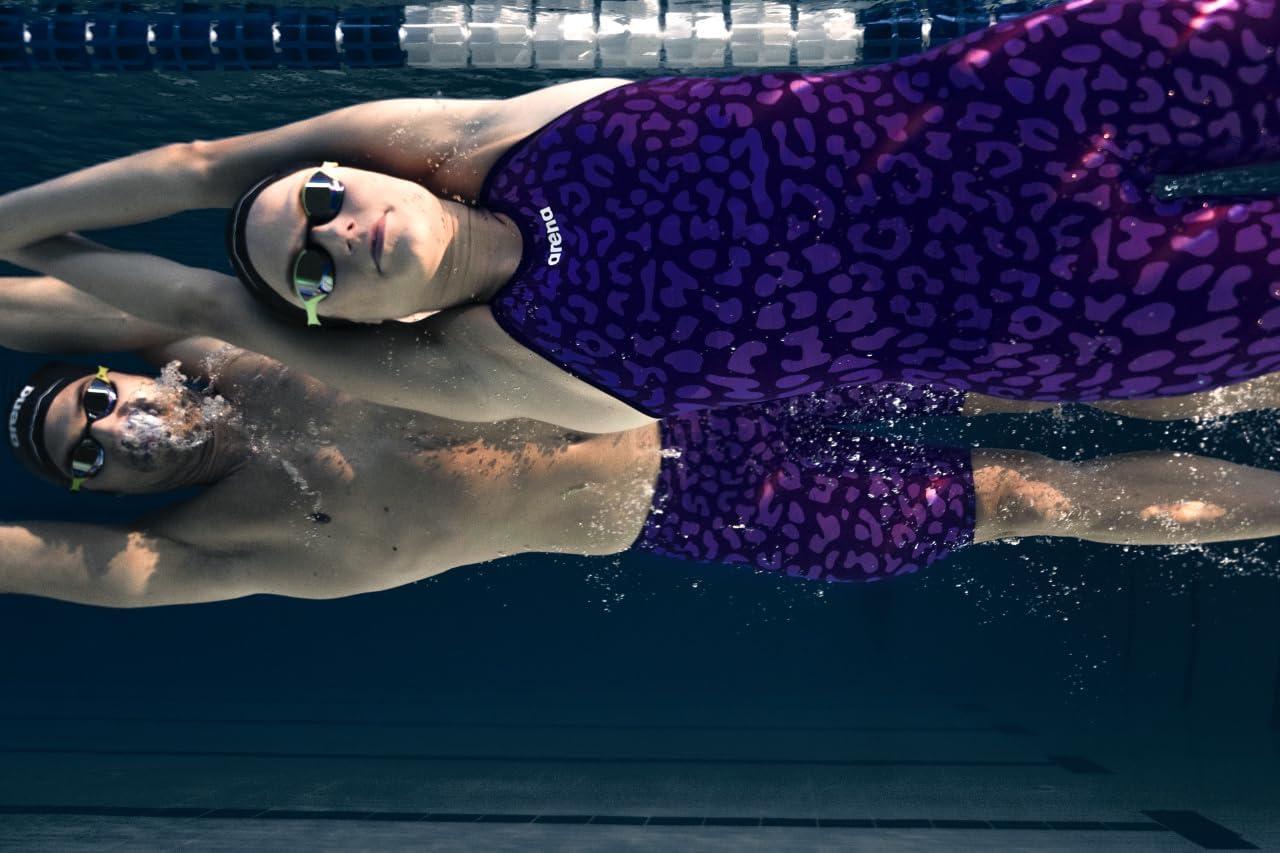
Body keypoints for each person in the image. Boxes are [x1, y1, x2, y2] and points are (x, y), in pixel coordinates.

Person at [4, 0, 1280, 433]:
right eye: (311, 271)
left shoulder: (485, 139)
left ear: (373, 171)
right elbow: (192, 297)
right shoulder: (488, 366)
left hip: (1022, 101)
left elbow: (197, 162)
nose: (332, 231)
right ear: (353, 325)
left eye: (322, 198)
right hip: (1065, 309)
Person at [4, 274, 1280, 608]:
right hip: (695, 507)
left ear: (130, 370)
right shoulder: (219, 539)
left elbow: (52, 295)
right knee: (1028, 496)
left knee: (1020, 377)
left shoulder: (237, 341)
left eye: (96, 400)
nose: (116, 431)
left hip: (693, 367)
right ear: (96, 496)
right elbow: (38, 562)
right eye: (85, 456)